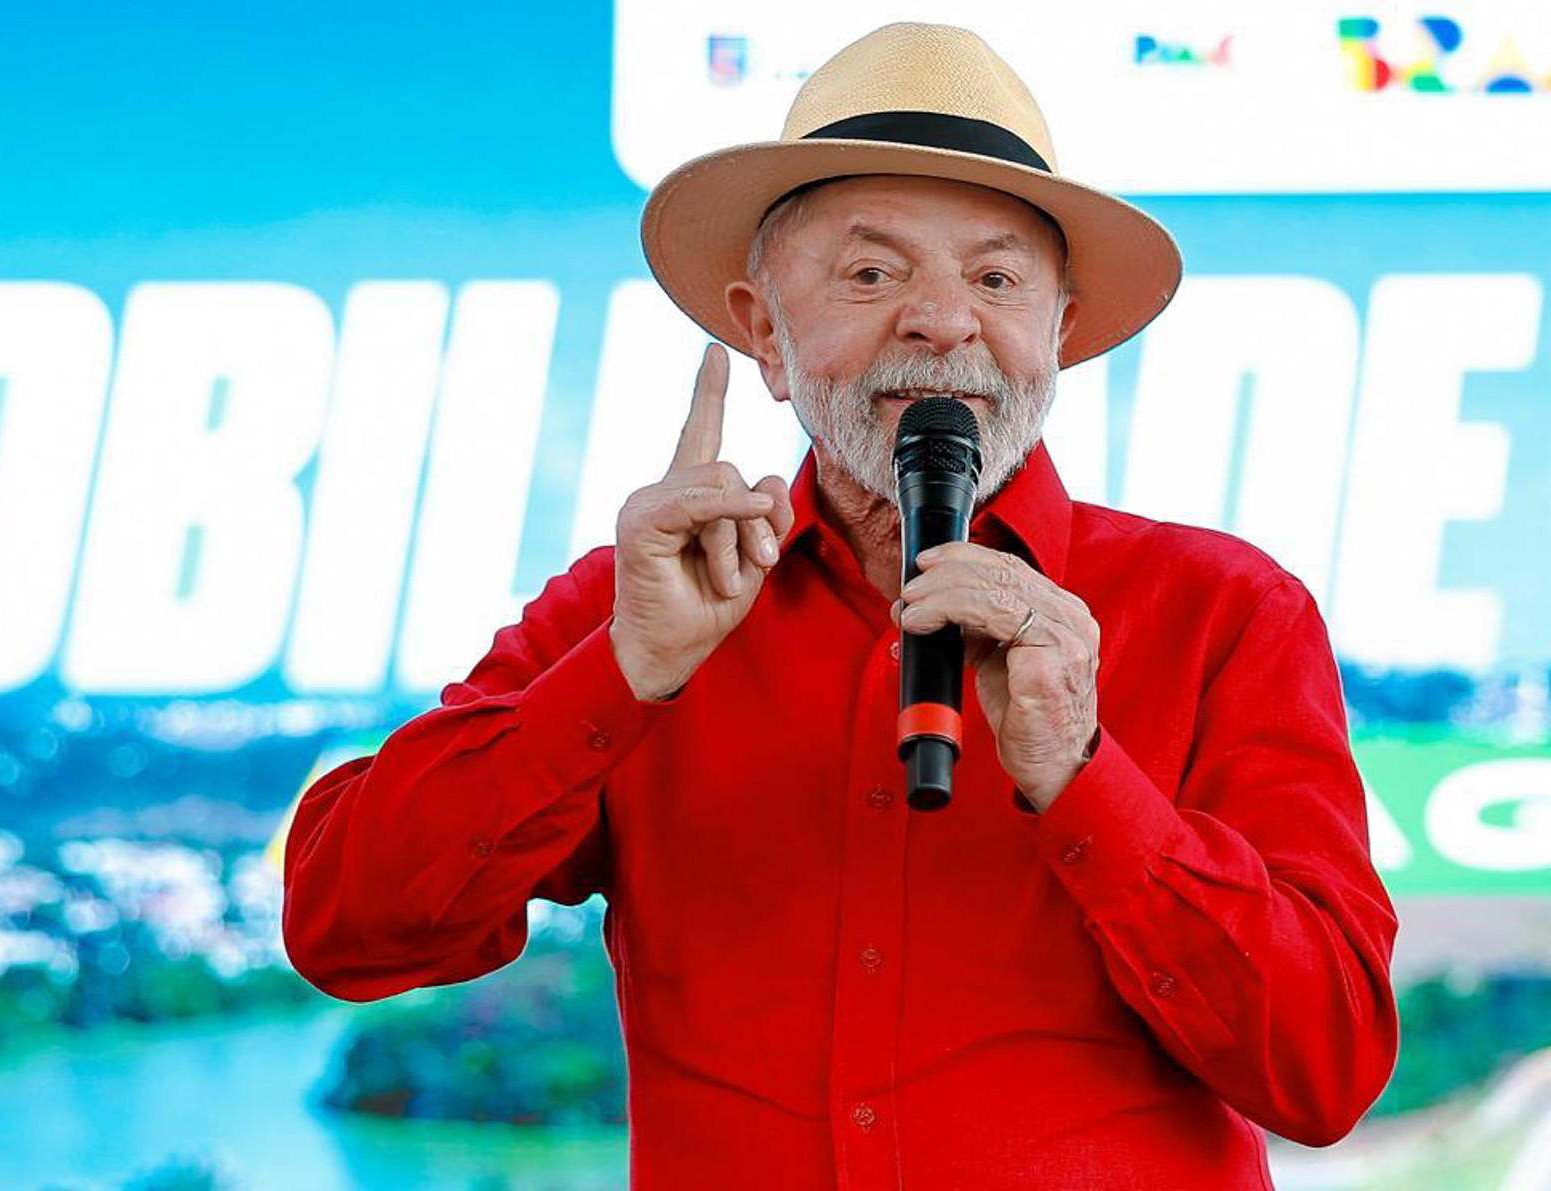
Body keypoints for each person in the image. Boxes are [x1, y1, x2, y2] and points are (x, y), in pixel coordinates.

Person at [282, 22, 1398, 1189]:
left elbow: (1323, 1071)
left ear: (1056, 335)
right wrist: (618, 677)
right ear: (763, 330)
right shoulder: (643, 599)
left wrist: (1084, 775)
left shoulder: (1224, 611)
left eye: (995, 279)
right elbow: (342, 928)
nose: (941, 321)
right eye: (870, 274)